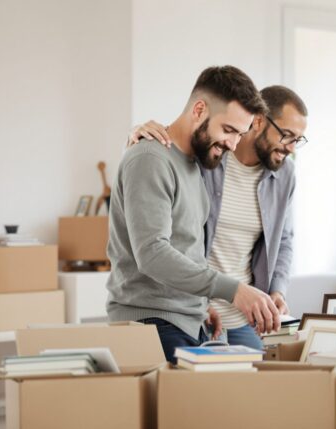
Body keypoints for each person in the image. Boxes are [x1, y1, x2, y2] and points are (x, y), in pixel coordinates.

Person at [106, 66, 281, 363]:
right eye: (228, 130)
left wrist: (199, 306)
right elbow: (151, 253)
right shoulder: (150, 158)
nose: (233, 144)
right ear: (199, 110)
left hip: (188, 321)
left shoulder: (192, 165)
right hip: (152, 324)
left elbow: (187, 248)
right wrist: (234, 290)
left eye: (239, 134)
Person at [127, 85, 308, 350]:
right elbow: (165, 155)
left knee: (261, 382)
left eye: (298, 140)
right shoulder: (207, 155)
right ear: (258, 121)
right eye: (287, 136)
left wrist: (277, 291)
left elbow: (284, 241)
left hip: (244, 315)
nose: (291, 148)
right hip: (194, 308)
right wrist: (136, 135)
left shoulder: (285, 175)